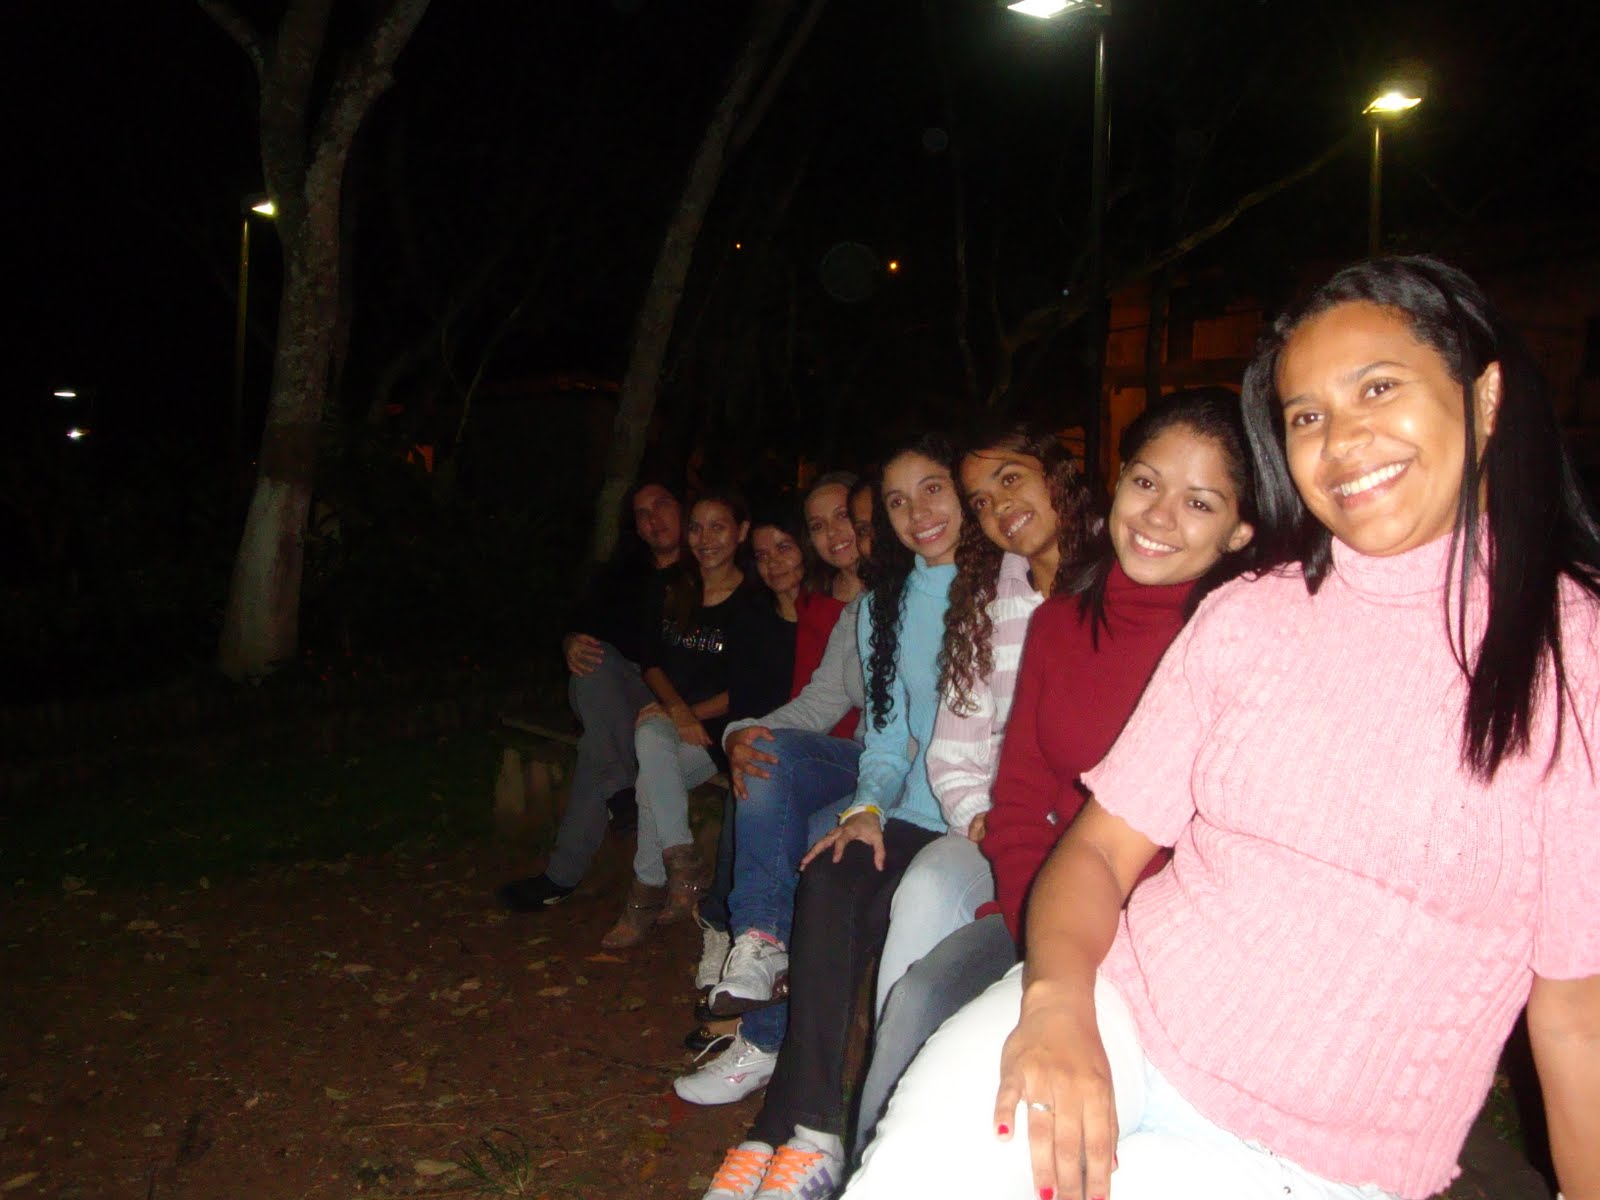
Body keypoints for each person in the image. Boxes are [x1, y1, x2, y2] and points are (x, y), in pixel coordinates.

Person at [845, 257, 1600, 1200]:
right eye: (1307, 416)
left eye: (1378, 388)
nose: (1343, 438)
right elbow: (1098, 846)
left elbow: (1578, 1010)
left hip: (1318, 1154)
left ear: (1484, 399)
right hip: (1119, 1008)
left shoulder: (1572, 659)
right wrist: (1058, 999)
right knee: (908, 1178)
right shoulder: (1247, 617)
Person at [853, 392, 1259, 1153]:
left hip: (1184, 955)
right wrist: (1038, 944)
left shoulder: (1242, 637)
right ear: (1118, 482)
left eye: (1198, 501)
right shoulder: (1059, 624)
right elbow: (1016, 802)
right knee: (920, 1000)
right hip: (1048, 917)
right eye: (1146, 483)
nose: (1159, 516)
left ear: (1240, 529)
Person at [695, 433, 965, 1200]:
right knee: (827, 869)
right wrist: (869, 809)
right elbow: (881, 735)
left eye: (933, 490)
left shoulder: (1008, 593)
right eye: (898, 501)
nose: (916, 513)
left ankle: (792, 1125)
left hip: (977, 824)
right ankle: (810, 1131)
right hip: (906, 807)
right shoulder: (878, 608)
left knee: (868, 894)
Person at [677, 477, 873, 1093]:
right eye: (817, 525)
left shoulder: (938, 599)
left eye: (845, 518)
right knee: (764, 754)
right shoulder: (861, 612)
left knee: (813, 837)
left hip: (914, 777)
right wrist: (741, 733)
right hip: (863, 761)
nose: (833, 534)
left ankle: (765, 1039)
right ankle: (758, 940)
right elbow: (817, 702)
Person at [497, 480, 682, 912]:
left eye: (662, 505)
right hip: (618, 692)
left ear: (683, 508)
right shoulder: (622, 574)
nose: (653, 519)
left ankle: (561, 876)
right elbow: (582, 624)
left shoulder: (706, 569)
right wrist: (570, 644)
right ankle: (620, 794)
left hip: (676, 698)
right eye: (642, 514)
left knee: (598, 747)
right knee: (593, 667)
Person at [602, 489, 759, 948]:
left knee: (649, 784)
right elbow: (651, 661)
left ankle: (645, 891)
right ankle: (682, 865)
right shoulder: (673, 586)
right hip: (671, 719)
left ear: (741, 532)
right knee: (652, 736)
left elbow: (749, 688)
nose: (704, 539)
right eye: (696, 527)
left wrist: (690, 716)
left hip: (720, 732)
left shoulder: (754, 601)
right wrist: (676, 710)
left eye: (718, 527)